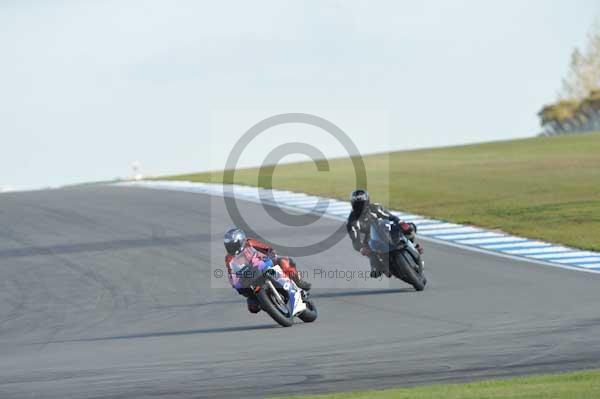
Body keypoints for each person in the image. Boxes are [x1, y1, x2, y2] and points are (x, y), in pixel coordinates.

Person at [223, 228, 311, 314]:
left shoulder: (249, 242)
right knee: (253, 307)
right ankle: (269, 304)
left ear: (240, 240)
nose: (231, 248)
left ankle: (298, 281)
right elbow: (231, 273)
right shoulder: (229, 258)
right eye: (229, 245)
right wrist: (235, 283)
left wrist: (271, 253)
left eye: (233, 245)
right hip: (250, 279)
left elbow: (266, 248)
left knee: (284, 261)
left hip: (263, 267)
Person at [346, 189, 423, 277]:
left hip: (384, 228)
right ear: (353, 204)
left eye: (362, 203)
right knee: (375, 269)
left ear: (367, 202)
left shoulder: (375, 208)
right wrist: (361, 248)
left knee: (410, 227)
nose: (360, 206)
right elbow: (355, 240)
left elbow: (390, 216)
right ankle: (378, 266)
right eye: (357, 204)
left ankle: (413, 246)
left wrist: (401, 223)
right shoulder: (352, 221)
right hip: (370, 238)